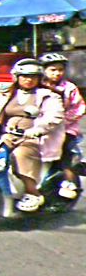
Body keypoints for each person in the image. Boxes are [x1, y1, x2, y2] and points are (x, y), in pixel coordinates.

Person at [0, 58, 65, 212]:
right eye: (24, 76)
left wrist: (37, 129)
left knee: (20, 155)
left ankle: (32, 193)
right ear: (16, 77)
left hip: (32, 138)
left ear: (39, 78)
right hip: (6, 135)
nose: (28, 80)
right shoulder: (7, 93)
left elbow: (53, 116)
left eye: (33, 76)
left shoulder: (48, 96)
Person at [40, 52, 84, 199]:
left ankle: (70, 183)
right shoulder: (38, 86)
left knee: (66, 154)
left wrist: (61, 121)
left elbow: (79, 108)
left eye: (60, 70)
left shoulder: (69, 88)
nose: (57, 73)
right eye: (52, 70)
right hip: (41, 127)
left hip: (66, 129)